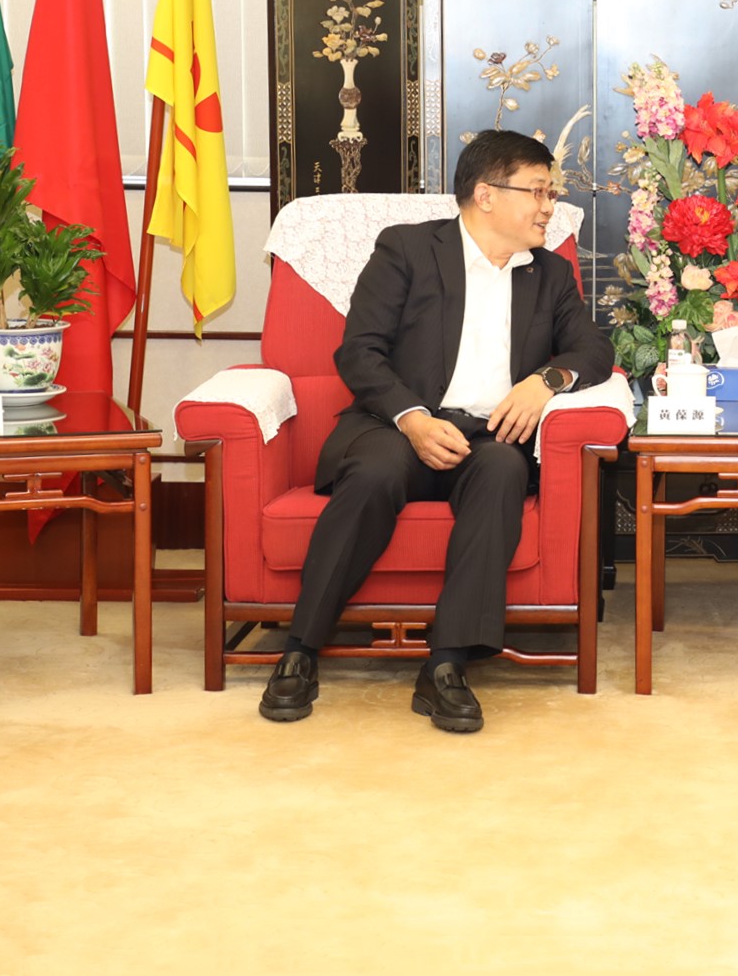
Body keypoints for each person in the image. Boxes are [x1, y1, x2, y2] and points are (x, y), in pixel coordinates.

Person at [259, 130, 615, 733]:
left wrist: (546, 381)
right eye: (537, 191)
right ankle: (300, 649)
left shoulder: (549, 273)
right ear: (486, 195)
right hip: (397, 424)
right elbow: (359, 351)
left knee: (502, 470)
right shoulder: (408, 249)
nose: (549, 207)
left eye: (551, 193)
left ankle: (448, 664)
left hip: (488, 437)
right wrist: (413, 417)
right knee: (374, 472)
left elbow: (593, 350)